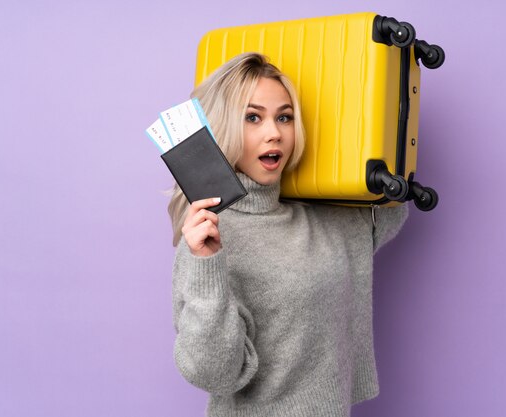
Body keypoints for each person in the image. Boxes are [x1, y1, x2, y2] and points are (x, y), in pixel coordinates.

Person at [168, 52, 408, 417]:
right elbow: (213, 373)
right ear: (223, 128)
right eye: (253, 117)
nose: (274, 133)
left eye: (285, 117)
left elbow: (394, 208)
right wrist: (206, 266)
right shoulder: (207, 240)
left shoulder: (325, 222)